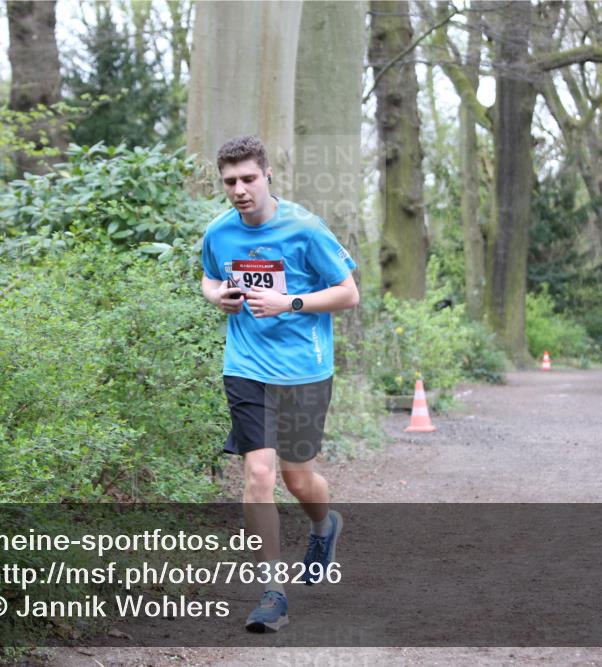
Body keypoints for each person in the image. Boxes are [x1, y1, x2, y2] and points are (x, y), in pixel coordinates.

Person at [200, 135, 359, 632]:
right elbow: (207, 276)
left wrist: (289, 303)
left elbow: (348, 293)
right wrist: (217, 296)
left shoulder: (305, 229)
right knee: (258, 478)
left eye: (248, 178)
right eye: (230, 182)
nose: (240, 190)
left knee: (298, 479)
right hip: (246, 367)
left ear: (268, 175)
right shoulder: (219, 233)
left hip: (304, 370)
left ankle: (323, 524)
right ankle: (272, 592)